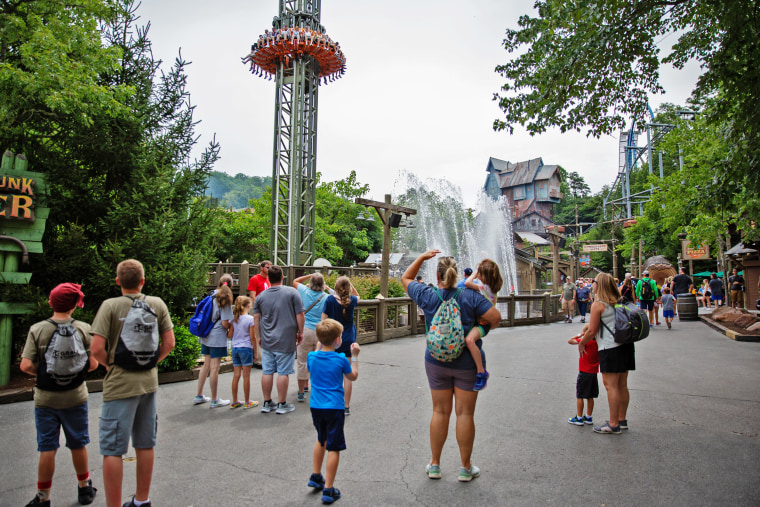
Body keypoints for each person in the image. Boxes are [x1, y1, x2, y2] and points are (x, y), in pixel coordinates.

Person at [402, 250, 501, 481]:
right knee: (465, 414)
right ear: (456, 275)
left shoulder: (427, 294)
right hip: (467, 362)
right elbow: (496, 319)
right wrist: (480, 329)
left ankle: (435, 465)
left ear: (437, 276)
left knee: (439, 411)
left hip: (436, 361)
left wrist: (422, 258)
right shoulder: (470, 296)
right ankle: (465, 468)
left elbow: (406, 278)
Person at [90, 259, 175, 507]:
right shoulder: (157, 304)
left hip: (119, 384)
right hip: (148, 383)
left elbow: (96, 348)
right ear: (142, 281)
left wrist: (110, 364)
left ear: (118, 281)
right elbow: (169, 343)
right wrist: (151, 363)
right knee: (145, 443)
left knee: (113, 449)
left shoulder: (110, 306)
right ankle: (142, 500)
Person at [21, 283, 99, 507]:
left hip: (45, 398)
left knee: (47, 447)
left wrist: (46, 372)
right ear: (75, 306)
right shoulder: (84, 328)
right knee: (78, 444)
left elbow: (25, 365)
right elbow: (92, 364)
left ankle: (43, 497)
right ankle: (84, 489)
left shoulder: (38, 329)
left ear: (50, 302)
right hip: (76, 396)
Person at [305, 319, 360, 504]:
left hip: (316, 406)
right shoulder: (341, 359)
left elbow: (310, 366)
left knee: (321, 439)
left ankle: (315, 475)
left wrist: (320, 343)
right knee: (334, 447)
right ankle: (328, 488)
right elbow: (353, 376)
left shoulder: (312, 357)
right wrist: (355, 356)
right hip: (334, 407)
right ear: (338, 340)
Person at [578, 273, 635, 435]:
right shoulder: (619, 301)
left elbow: (592, 330)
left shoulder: (598, 304)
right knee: (622, 385)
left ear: (599, 284)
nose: (592, 284)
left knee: (611, 386)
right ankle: (621, 419)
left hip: (610, 347)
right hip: (626, 345)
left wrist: (582, 343)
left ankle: (613, 423)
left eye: (594, 281)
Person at [254, 265, 305, 415]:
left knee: (267, 371)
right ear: (283, 277)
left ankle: (267, 402)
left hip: (268, 338)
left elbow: (256, 318)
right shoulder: (292, 292)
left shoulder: (261, 297)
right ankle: (282, 403)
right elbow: (300, 315)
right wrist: (300, 331)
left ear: (268, 278)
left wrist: (259, 336)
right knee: (283, 371)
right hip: (286, 337)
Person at [321, 276, 360, 415]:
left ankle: (331, 403)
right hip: (349, 339)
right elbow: (357, 295)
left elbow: (323, 320)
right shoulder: (353, 300)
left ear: (336, 287)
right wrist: (350, 285)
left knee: (331, 372)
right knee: (347, 374)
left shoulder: (330, 300)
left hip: (333, 339)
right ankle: (346, 406)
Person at [194, 274, 234, 408]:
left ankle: (199, 395)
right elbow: (224, 323)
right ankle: (214, 399)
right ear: (231, 285)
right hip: (216, 336)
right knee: (215, 368)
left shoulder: (211, 295)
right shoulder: (225, 298)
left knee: (206, 365)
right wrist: (231, 327)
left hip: (205, 333)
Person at [463, 259, 503, 391]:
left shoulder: (484, 288)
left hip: (483, 324)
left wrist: (473, 275)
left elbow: (467, 283)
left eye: (480, 273)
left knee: (469, 340)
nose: (478, 275)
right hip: (482, 322)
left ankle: (481, 372)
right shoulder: (491, 288)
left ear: (485, 276)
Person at [293, 272, 333, 402]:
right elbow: (337, 297)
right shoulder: (326, 297)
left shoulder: (304, 291)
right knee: (318, 361)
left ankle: (301, 391)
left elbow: (295, 281)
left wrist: (309, 274)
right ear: (323, 284)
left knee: (302, 360)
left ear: (311, 283)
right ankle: (316, 388)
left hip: (305, 329)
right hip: (320, 332)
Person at [229, 296, 258, 409]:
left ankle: (235, 400)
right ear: (248, 306)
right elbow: (252, 337)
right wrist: (255, 352)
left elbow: (229, 335)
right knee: (246, 376)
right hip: (246, 348)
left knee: (236, 375)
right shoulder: (250, 319)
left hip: (235, 348)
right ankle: (247, 401)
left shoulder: (233, 319)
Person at [567, 323, 598, 426]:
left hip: (584, 373)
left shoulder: (585, 342)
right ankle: (588, 417)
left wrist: (580, 335)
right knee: (590, 396)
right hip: (594, 373)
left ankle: (579, 417)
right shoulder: (597, 343)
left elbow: (570, 341)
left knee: (580, 395)